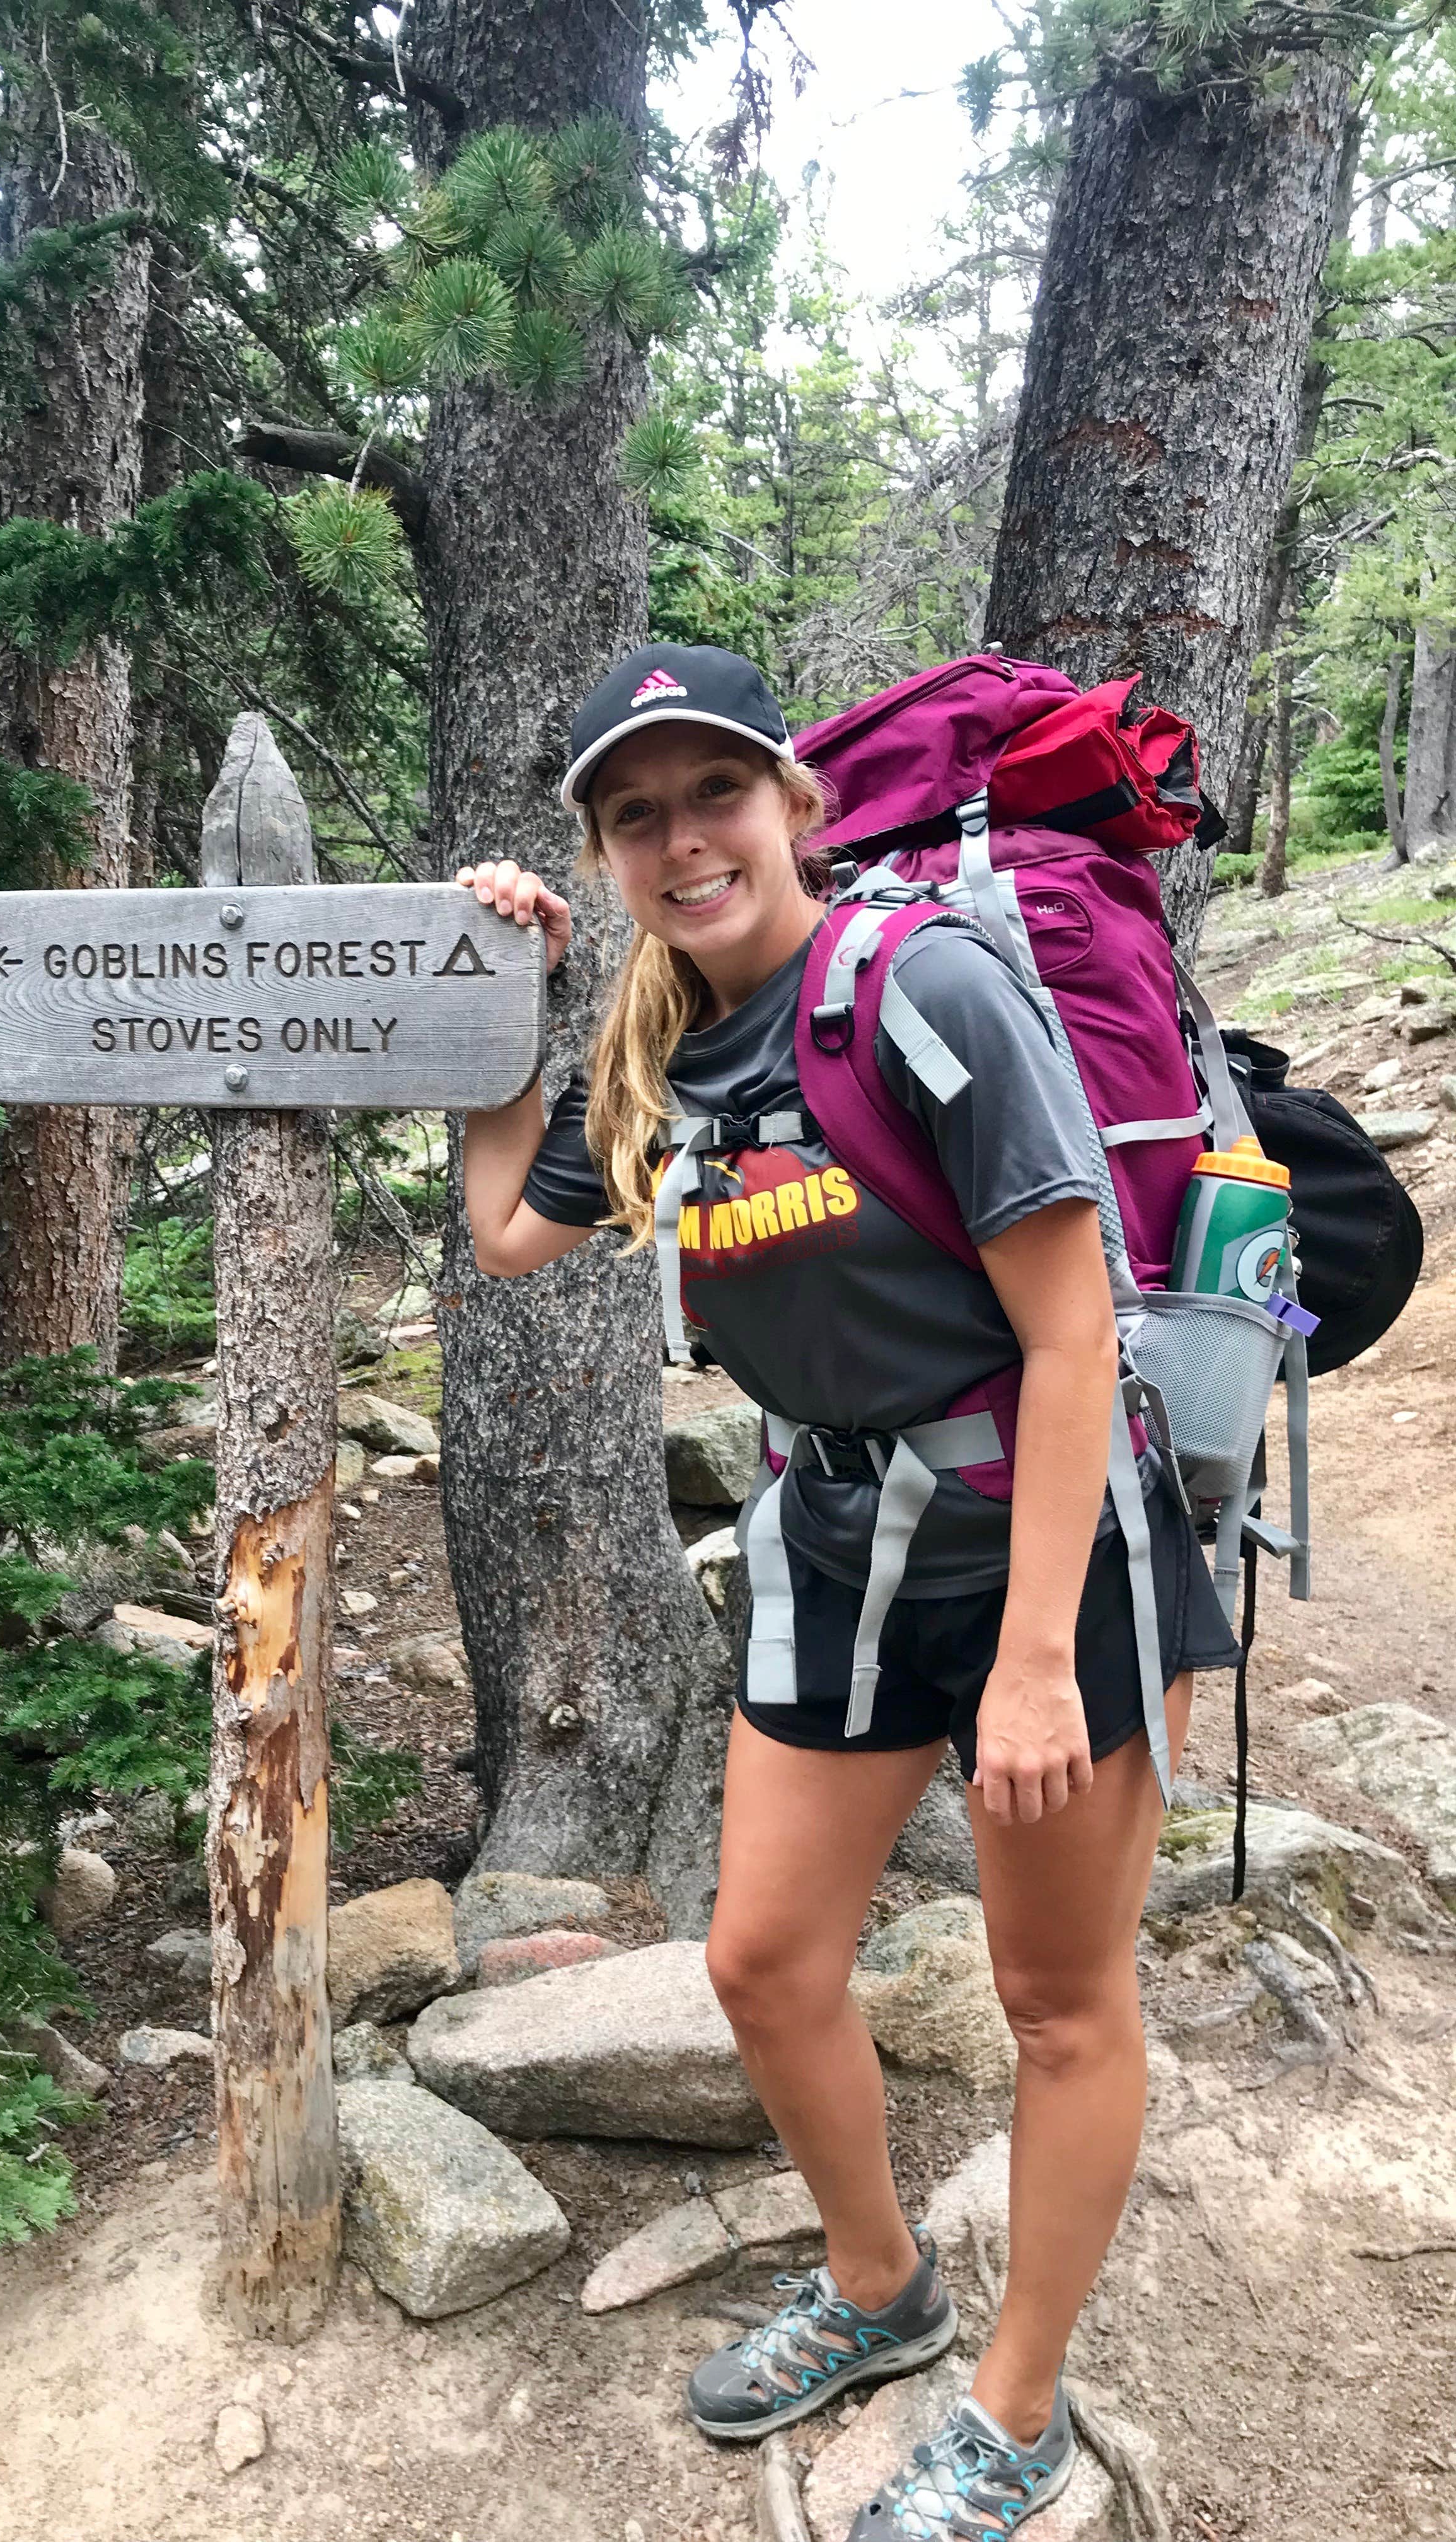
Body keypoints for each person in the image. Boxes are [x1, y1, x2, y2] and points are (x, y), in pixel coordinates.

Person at [456, 642, 1240, 2540]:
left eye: (714, 792)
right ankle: (883, 2291)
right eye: (634, 814)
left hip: (1048, 1537)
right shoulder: (657, 1046)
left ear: (793, 803)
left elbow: (1072, 1337)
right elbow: (503, 1234)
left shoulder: (922, 984)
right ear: (608, 850)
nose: (681, 839)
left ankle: (1019, 2409)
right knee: (761, 1961)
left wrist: (1042, 1665)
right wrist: (501, 1005)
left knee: (1058, 1998)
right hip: (832, 1537)